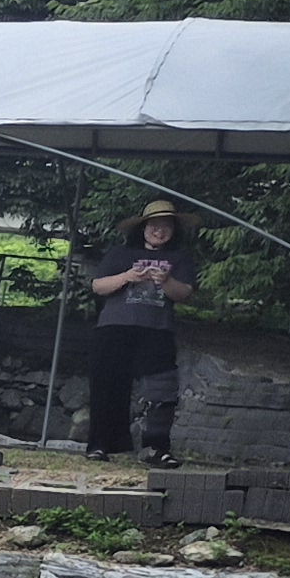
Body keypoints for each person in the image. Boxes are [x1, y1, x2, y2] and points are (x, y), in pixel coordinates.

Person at [82, 197, 201, 466]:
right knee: (106, 386)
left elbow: (184, 294)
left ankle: (156, 449)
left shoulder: (179, 258)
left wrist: (166, 280)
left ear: (174, 230)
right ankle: (100, 445)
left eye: (166, 226)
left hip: (156, 330)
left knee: (162, 389)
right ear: (143, 227)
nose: (160, 231)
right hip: (113, 327)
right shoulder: (119, 254)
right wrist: (128, 277)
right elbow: (98, 286)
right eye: (154, 225)